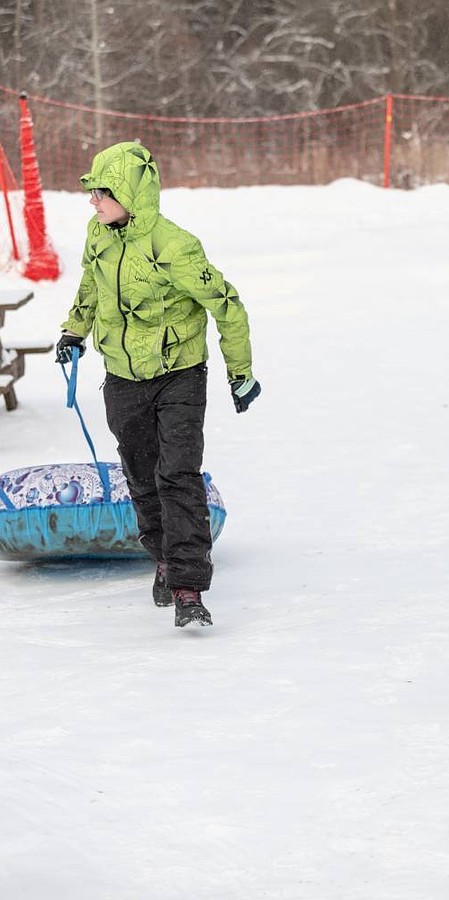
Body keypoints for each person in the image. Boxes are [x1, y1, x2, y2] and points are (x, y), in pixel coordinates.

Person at [55, 141, 260, 628]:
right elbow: (90, 285)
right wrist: (74, 330)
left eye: (101, 192)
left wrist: (240, 372)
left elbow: (226, 304)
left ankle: (189, 587)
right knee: (142, 474)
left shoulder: (176, 247)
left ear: (129, 193)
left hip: (179, 375)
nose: (93, 201)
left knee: (179, 473)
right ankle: (165, 560)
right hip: (123, 376)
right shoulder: (99, 234)